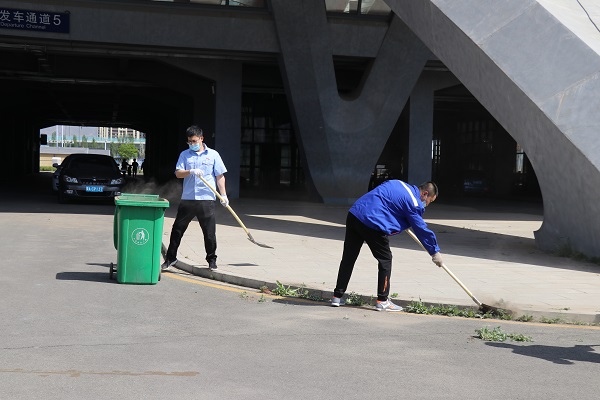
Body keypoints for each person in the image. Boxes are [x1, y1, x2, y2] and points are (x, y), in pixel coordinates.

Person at [331, 180, 443, 311]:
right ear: (425, 194)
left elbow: (386, 202)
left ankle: (337, 296)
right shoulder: (414, 203)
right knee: (385, 259)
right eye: (429, 201)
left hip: (355, 214)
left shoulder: (398, 183)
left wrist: (402, 219)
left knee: (349, 257)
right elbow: (421, 229)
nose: (427, 204)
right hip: (372, 222)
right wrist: (434, 251)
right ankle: (382, 300)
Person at [162, 125, 228, 271]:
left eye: (194, 141)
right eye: (189, 141)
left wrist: (223, 195)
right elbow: (178, 173)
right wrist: (190, 171)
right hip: (188, 199)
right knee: (177, 230)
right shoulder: (185, 155)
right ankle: (170, 259)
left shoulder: (213, 155)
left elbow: (220, 176)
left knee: (209, 232)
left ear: (201, 138)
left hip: (206, 199)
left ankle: (211, 260)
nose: (192, 144)